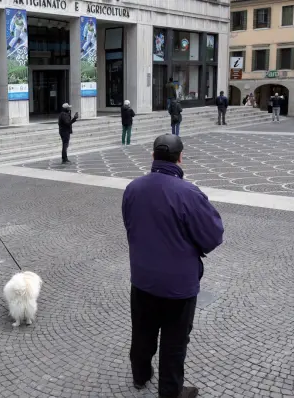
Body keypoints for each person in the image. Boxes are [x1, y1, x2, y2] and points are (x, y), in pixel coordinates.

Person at [122, 134, 224, 398]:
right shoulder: (189, 193)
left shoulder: (133, 188)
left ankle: (140, 375)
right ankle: (170, 392)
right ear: (180, 158)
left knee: (142, 331)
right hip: (178, 285)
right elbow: (212, 236)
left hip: (142, 278)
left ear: (153, 156)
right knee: (175, 341)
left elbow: (130, 225)